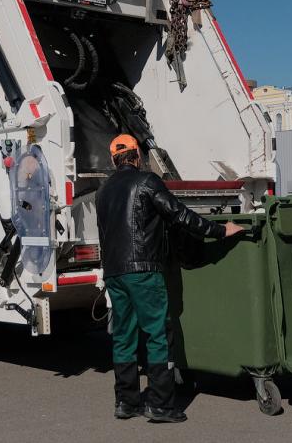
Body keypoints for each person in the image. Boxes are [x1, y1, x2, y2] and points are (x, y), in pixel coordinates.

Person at [96, 134, 243, 423]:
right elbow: (180, 216)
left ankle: (126, 402)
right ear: (137, 155)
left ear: (114, 160)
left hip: (114, 272)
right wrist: (220, 231)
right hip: (143, 270)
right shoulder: (147, 182)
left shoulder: (103, 191)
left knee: (124, 336)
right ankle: (160, 405)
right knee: (158, 335)